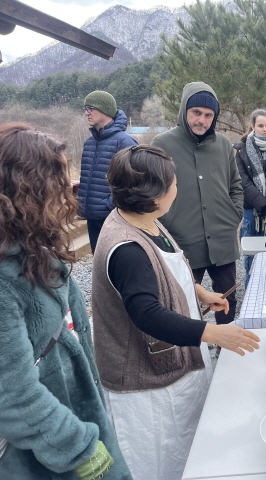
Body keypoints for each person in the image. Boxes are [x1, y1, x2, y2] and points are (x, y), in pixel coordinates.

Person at [92, 145, 260, 480]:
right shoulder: (125, 248)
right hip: (147, 385)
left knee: (190, 450)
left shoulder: (146, 219)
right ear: (152, 195)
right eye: (172, 183)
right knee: (163, 460)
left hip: (177, 362)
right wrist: (211, 333)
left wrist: (199, 292)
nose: (176, 188)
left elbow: (166, 269)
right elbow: (147, 314)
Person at [0, 123, 131, 480]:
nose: (67, 193)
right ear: (27, 191)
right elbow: (12, 396)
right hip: (53, 454)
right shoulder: (4, 282)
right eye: (58, 182)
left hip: (80, 414)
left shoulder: (35, 248)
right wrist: (80, 448)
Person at [152, 82, 243, 324]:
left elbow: (236, 185)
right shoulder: (162, 145)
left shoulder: (223, 145)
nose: (202, 120)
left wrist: (234, 214)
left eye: (208, 115)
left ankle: (226, 352)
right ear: (184, 111)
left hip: (222, 238)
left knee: (227, 299)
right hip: (182, 241)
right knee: (182, 301)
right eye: (196, 113)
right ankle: (193, 356)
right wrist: (166, 225)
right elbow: (152, 191)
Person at [77, 90, 138, 252]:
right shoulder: (89, 142)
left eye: (90, 108)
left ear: (104, 109)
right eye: (85, 109)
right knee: (99, 265)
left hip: (113, 218)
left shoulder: (125, 141)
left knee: (116, 266)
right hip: (92, 217)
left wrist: (108, 205)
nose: (86, 113)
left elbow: (133, 183)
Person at [235, 109, 266, 285]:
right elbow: (243, 182)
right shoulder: (242, 150)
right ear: (253, 127)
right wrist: (263, 204)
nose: (265, 129)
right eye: (260, 125)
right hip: (251, 211)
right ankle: (251, 291)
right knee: (251, 257)